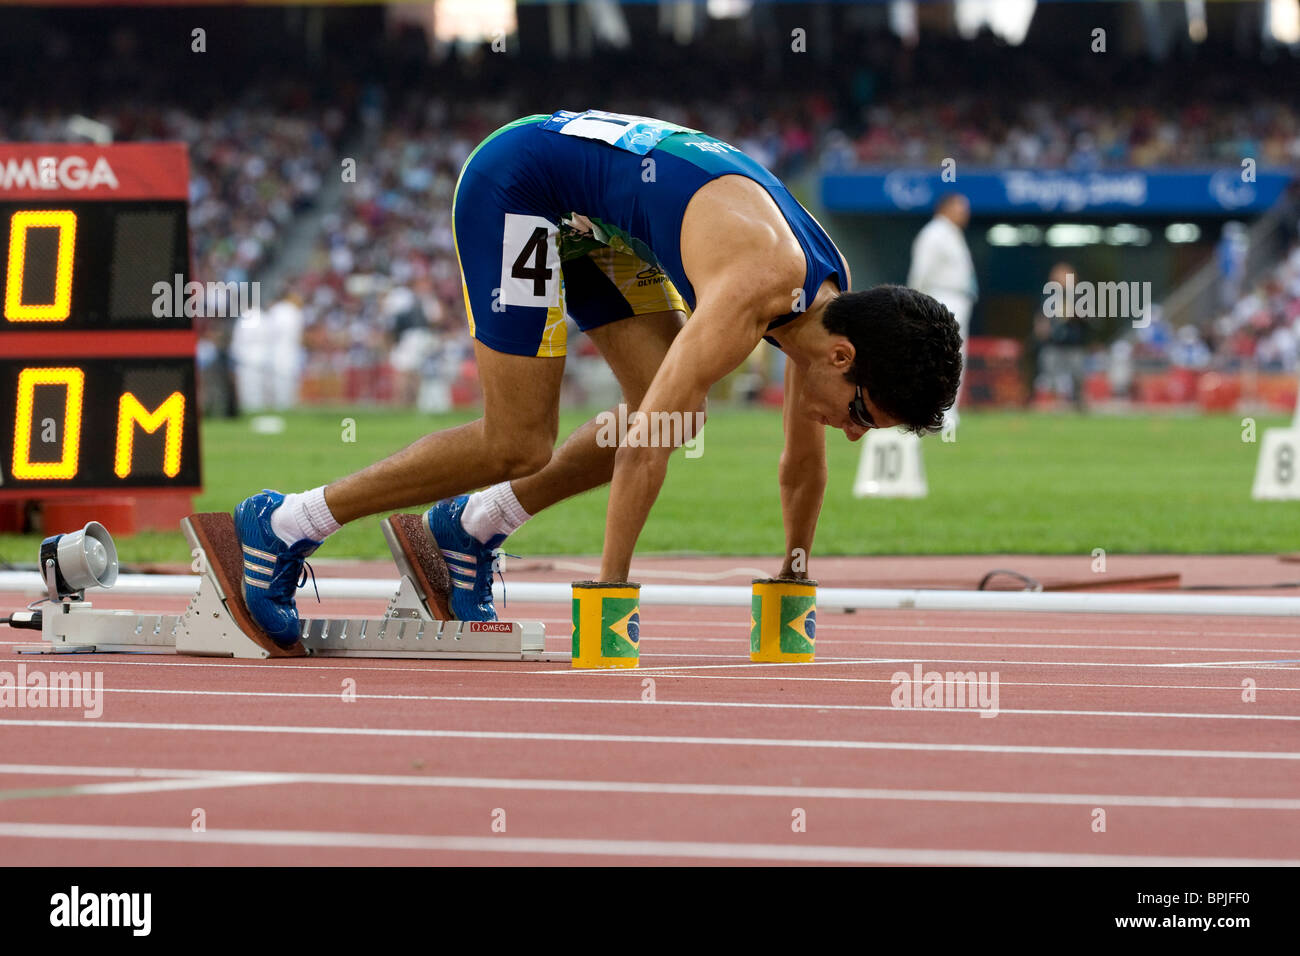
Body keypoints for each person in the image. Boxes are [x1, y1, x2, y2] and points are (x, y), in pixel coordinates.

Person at [234, 109, 962, 642]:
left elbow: (801, 463)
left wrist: (795, 570)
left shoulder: (835, 312)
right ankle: (286, 522)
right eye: (864, 415)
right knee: (519, 442)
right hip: (523, 182)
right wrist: (611, 593)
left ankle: (471, 526)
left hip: (603, 222)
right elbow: (646, 444)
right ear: (844, 361)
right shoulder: (755, 290)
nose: (857, 436)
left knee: (682, 412)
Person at [906, 193, 976, 426]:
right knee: (940, 355)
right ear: (945, 207)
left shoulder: (953, 233)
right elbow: (921, 271)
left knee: (954, 355)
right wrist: (915, 303)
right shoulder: (934, 233)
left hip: (957, 298)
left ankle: (947, 410)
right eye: (960, 207)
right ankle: (933, 410)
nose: (965, 213)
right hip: (940, 297)